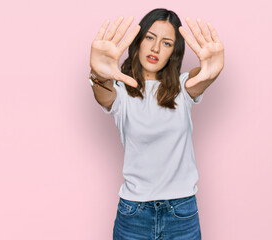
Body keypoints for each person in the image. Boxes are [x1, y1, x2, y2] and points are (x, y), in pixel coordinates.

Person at [89, 8, 224, 240]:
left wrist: (210, 72)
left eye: (167, 43)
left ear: (174, 51)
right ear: (139, 41)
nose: (155, 48)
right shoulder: (120, 91)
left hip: (181, 212)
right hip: (134, 214)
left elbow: (200, 78)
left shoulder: (182, 88)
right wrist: (99, 75)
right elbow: (104, 94)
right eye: (150, 37)